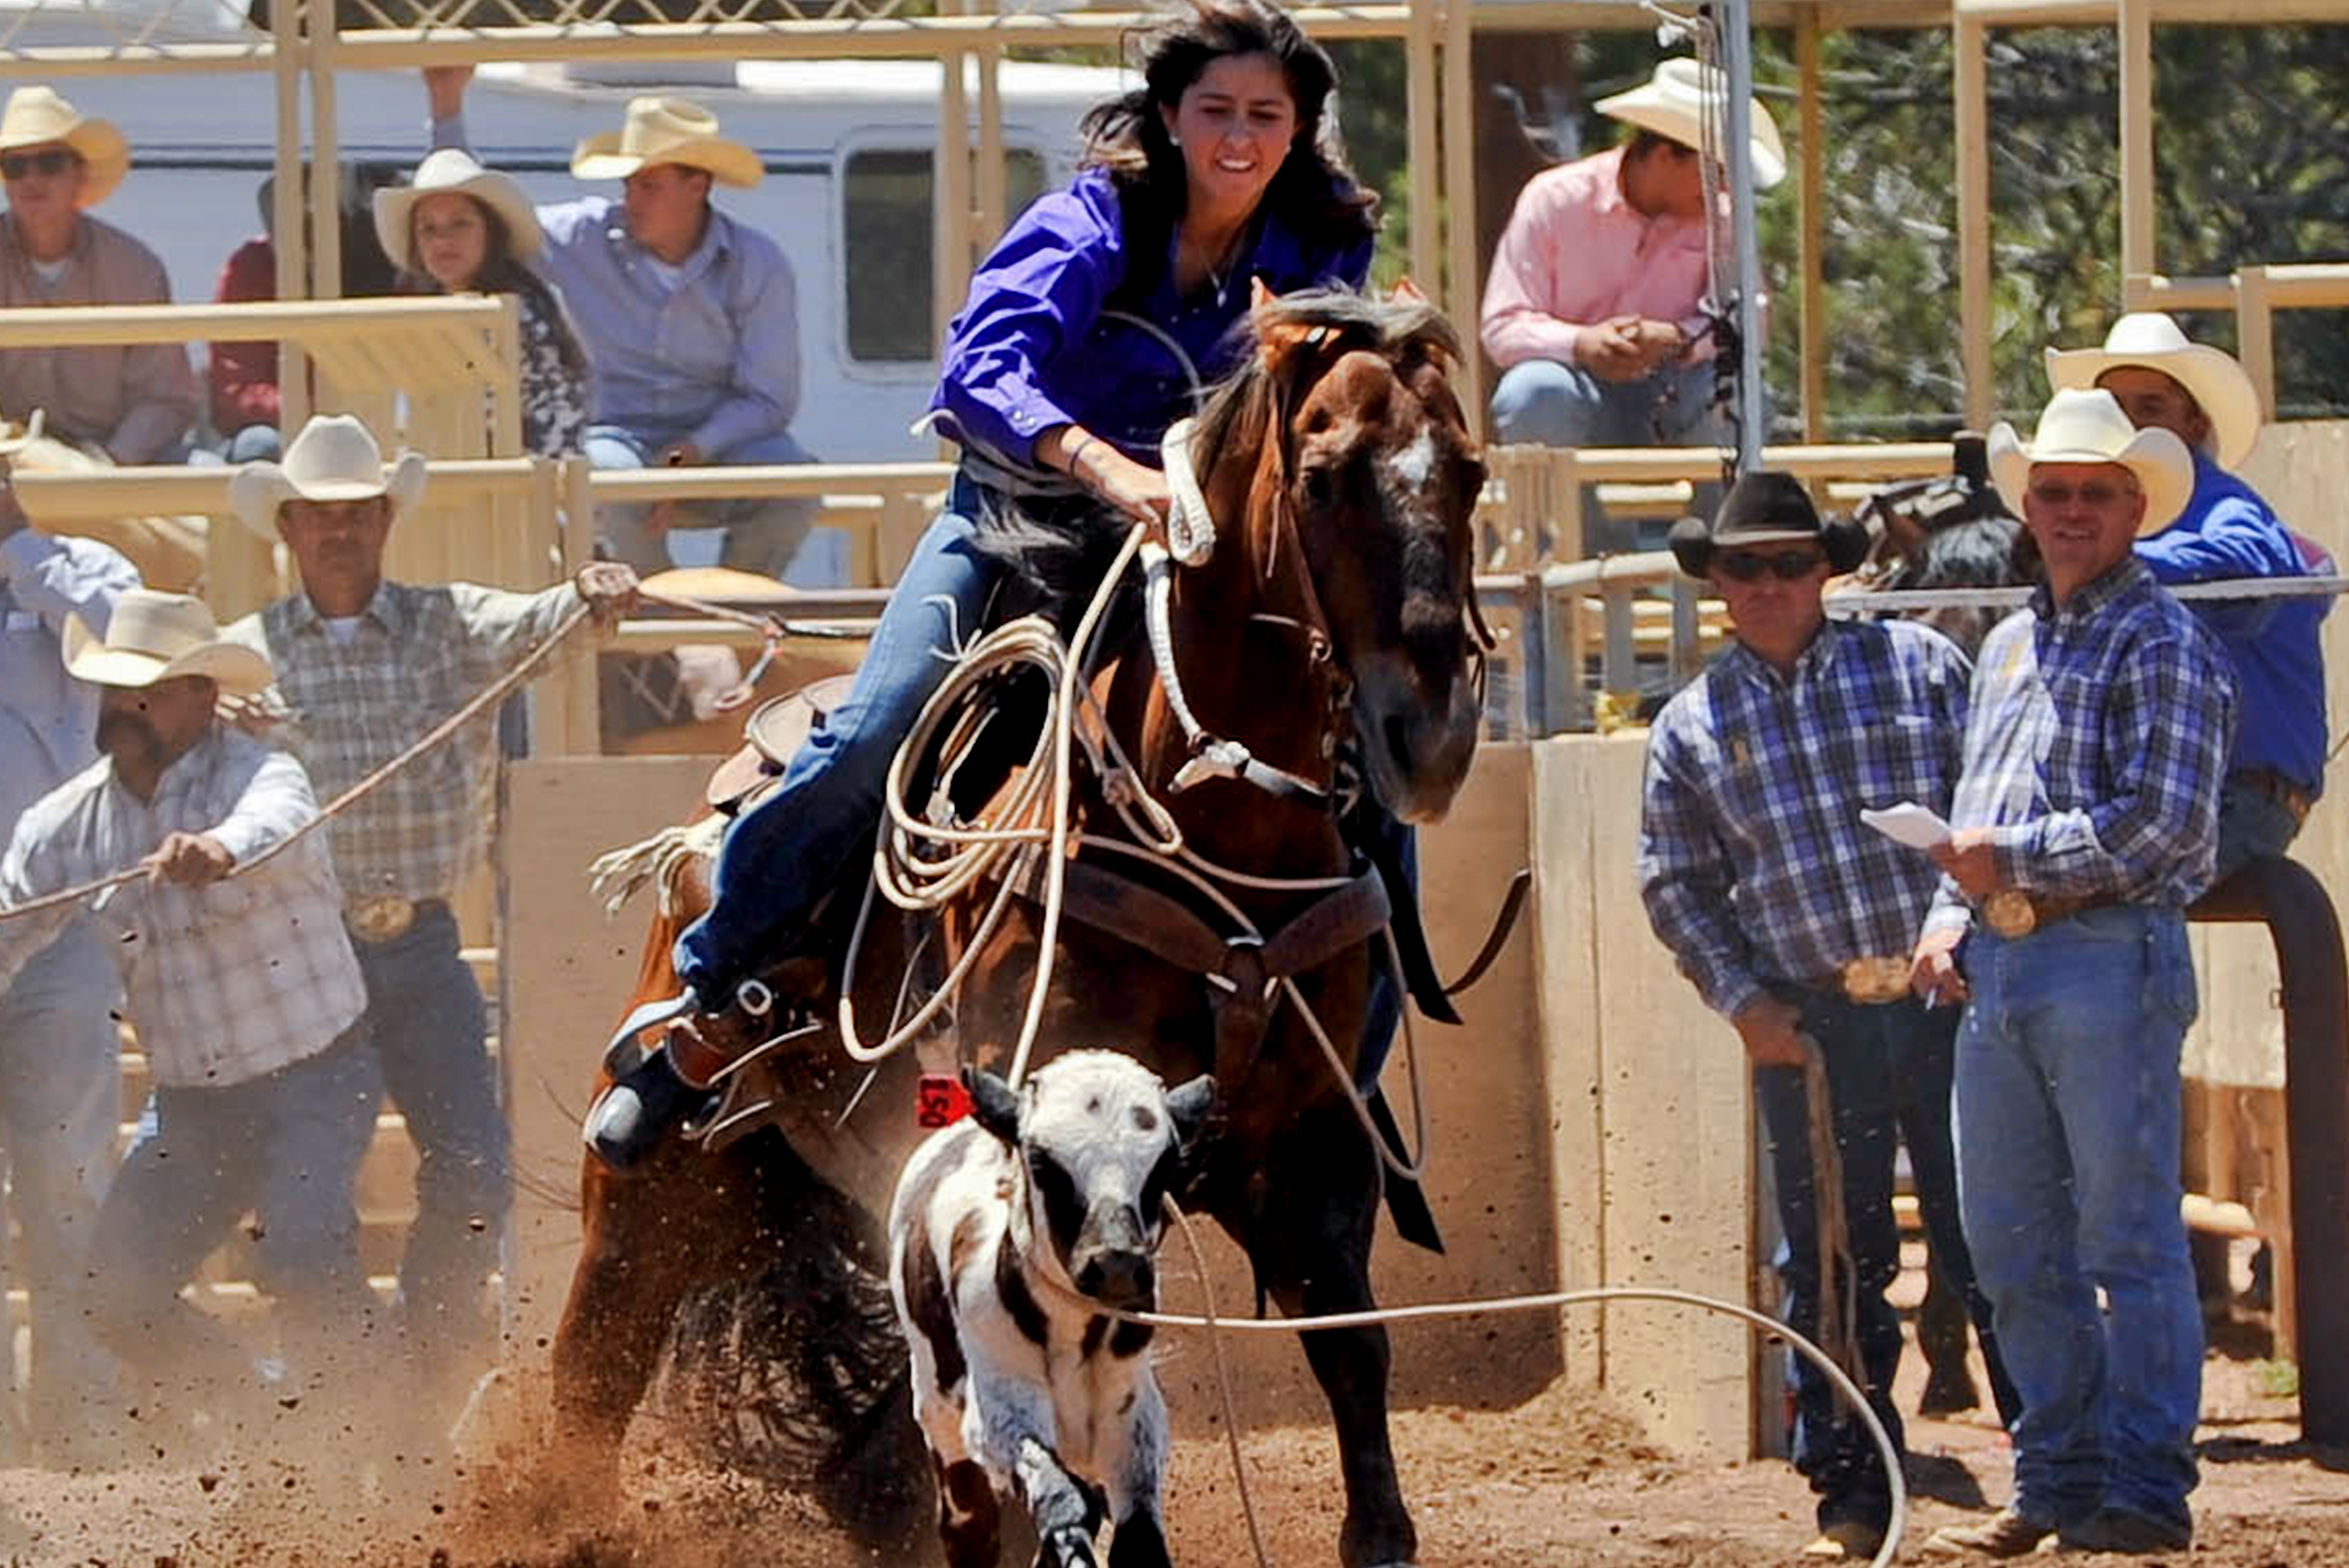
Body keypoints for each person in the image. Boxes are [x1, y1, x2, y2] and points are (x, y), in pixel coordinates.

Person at [583, 0, 1382, 1166]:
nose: (1239, 136)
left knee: (1358, 775)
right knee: (870, 733)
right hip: (1018, 526)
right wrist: (1103, 464)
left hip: (1197, 548)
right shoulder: (1092, 220)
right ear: (1170, 117)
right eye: (1215, 109)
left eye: (1266, 113)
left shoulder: (1324, 241)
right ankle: (711, 1003)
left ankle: (1345, 1069)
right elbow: (981, 366)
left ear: (1298, 125)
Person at [223, 413, 640, 1426]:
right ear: (288, 527)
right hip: (307, 957)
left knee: (474, 1170)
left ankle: (419, 1367)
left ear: (381, 520)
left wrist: (590, 587)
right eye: (319, 515)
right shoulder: (243, 658)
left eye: (355, 513)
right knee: (309, 1201)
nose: (338, 531)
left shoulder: (444, 621)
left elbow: (540, 620)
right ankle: (362, 1380)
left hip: (417, 942)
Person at [1638, 471, 2012, 1563]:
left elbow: (1983, 810)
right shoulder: (1690, 726)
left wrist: (1963, 928)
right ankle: (1854, 1487)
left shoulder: (1923, 667)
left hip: (1946, 995)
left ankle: (2048, 1468)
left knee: (1988, 1230)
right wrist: (1744, 1004)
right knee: (1830, 1261)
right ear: (1714, 581)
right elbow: (1674, 884)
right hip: (1809, 1022)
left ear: (1826, 569)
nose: (1766, 584)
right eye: (1743, 566)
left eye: (1788, 562)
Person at [1910, 387, 2232, 1559]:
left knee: (2125, 1236)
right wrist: (1951, 911)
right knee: (2008, 1241)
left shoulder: (2164, 637)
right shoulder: (2005, 644)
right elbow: (1974, 816)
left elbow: (2164, 829)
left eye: (2094, 492)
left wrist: (2004, 864)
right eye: (2052, 491)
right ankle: (2058, 1475)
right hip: (2006, 962)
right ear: (2027, 506)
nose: (2070, 510)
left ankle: (2143, 1487)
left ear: (2135, 507)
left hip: (2108, 953)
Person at [0, 588, 378, 1440]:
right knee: (116, 1296)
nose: (128, 705)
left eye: (154, 688)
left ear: (205, 699)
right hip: (198, 1101)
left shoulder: (257, 770)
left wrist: (220, 848)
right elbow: (9, 921)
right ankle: (267, 1415)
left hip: (315, 1072)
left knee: (302, 1250)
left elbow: (274, 820)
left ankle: (377, 1428)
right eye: (119, 687)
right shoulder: (71, 825)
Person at [424, 71, 818, 577]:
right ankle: (661, 629)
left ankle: (737, 618)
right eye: (629, 183)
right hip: (616, 436)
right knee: (602, 477)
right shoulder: (581, 235)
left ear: (698, 185)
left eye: (648, 184)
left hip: (722, 447)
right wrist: (446, 108)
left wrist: (692, 452)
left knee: (794, 485)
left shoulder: (759, 263)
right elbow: (480, 208)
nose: (632, 198)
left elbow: (770, 398)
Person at [2045, 311, 2327, 883]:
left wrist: (2106, 562)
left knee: (2054, 890)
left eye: (2149, 408)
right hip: (2157, 794)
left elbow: (2252, 562)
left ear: (2194, 425)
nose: (2129, 425)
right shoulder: (2113, 517)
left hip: (2236, 800)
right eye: (2114, 409)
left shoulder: (2226, 507)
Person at [0, 487, 134, 1462]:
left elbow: (133, 631)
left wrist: (22, 550)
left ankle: (80, 1418)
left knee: (70, 1177)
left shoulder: (64, 579)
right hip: (55, 926)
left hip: (57, 928)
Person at [1479, 58, 1782, 459]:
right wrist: (1583, 343)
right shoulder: (1554, 199)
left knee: (1738, 396)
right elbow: (1503, 324)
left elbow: (1751, 321)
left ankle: (1719, 524)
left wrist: (1677, 339)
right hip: (1577, 383)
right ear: (1662, 157)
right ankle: (1579, 525)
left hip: (1679, 386)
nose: (1724, 188)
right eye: (1715, 174)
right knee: (1533, 393)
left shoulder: (1723, 218)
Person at [0, 85, 199, 464]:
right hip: (8, 464)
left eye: (49, 163)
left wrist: (110, 463)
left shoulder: (135, 268)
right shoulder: (136, 265)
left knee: (213, 476)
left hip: (121, 461)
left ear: (80, 174)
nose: (31, 180)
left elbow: (165, 397)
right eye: (15, 167)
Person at [375, 149, 592, 458]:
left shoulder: (512, 312)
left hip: (529, 486)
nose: (442, 241)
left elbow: (472, 422)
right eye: (428, 228)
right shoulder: (442, 309)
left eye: (460, 224)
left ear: (491, 233)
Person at [208, 161, 406, 465]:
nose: (324, 230)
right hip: (291, 431)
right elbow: (236, 391)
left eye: (339, 216)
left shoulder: (402, 270)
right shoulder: (252, 267)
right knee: (258, 447)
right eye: (309, 216)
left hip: (389, 426)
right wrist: (322, 410)